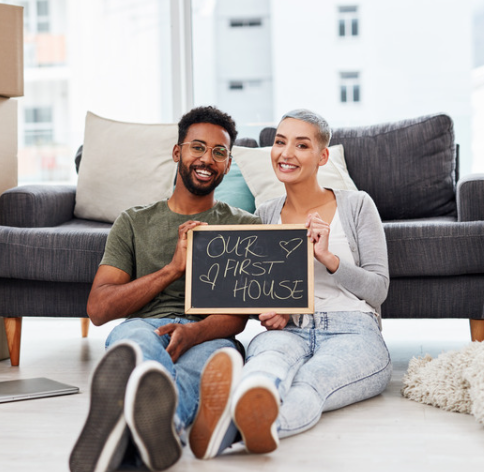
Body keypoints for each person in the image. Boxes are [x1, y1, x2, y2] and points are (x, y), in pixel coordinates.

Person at [189, 109, 393, 459]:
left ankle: (233, 431)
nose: (286, 153)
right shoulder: (266, 213)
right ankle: (233, 416)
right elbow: (257, 290)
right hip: (289, 330)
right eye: (280, 142)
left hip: (353, 330)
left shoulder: (357, 205)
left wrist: (329, 260)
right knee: (264, 368)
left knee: (309, 383)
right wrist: (271, 309)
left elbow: (378, 290)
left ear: (322, 156)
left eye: (301, 145)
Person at [69, 106, 260, 472]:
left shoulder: (242, 224)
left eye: (219, 152)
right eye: (198, 147)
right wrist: (173, 269)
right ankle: (160, 432)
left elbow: (238, 316)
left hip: (209, 334)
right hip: (145, 325)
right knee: (135, 350)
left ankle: (136, 434)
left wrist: (194, 332)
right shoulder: (134, 221)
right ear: (177, 152)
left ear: (228, 162)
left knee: (208, 369)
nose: (207, 159)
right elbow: (98, 309)